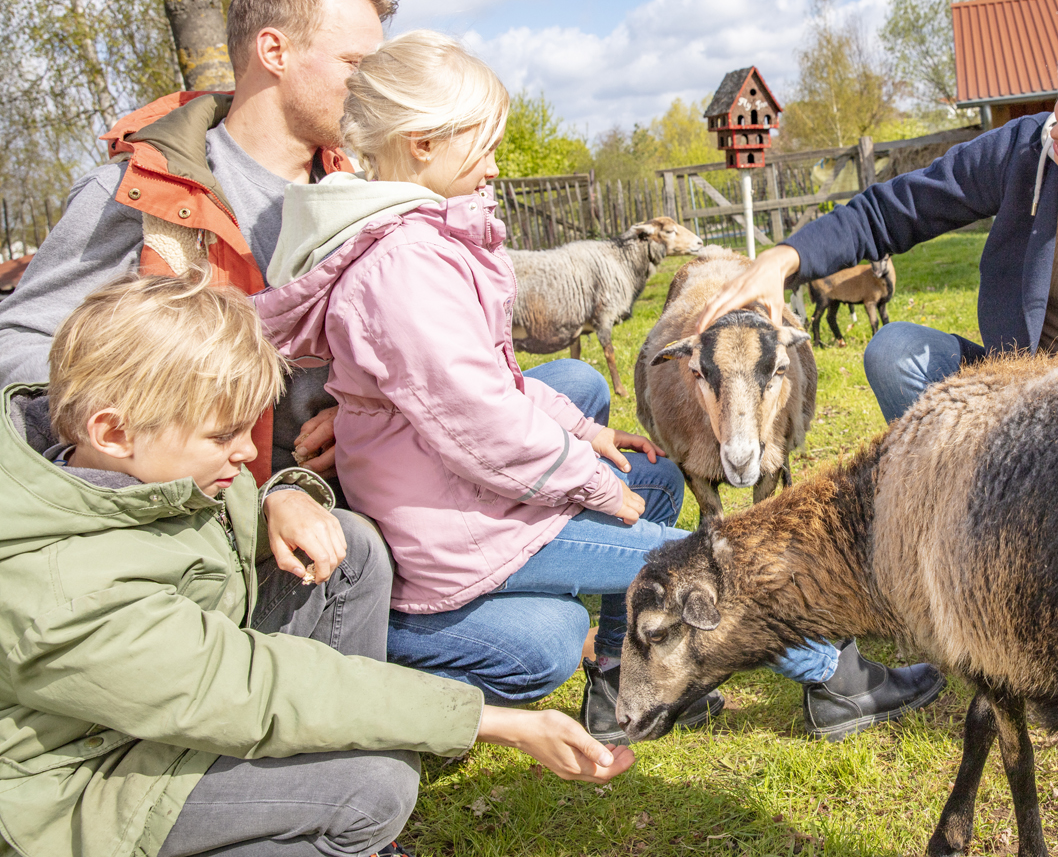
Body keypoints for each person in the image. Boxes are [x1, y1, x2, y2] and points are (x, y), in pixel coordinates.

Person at [252, 30, 944, 742]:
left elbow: (494, 381)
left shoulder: (424, 244)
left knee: (652, 477)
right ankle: (839, 683)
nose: (495, 162)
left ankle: (621, 688)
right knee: (695, 563)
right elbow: (482, 423)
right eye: (483, 142)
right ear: (424, 144)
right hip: (466, 523)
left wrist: (589, 432)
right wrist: (586, 479)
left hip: (466, 498)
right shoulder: (405, 266)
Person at [0, 275, 634, 857]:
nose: (246, 451)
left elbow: (235, 527)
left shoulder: (127, 472)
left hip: (161, 717)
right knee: (374, 784)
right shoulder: (61, 593)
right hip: (86, 791)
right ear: (113, 431)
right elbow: (256, 685)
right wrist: (491, 723)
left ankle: (326, 772)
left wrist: (287, 492)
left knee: (349, 544)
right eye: (223, 437)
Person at [698, 14, 1058, 422]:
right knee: (893, 351)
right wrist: (784, 258)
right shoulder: (1029, 150)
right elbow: (894, 210)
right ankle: (965, 511)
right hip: (1011, 387)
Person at [0, 0, 392, 484]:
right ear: (274, 51)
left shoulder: (365, 196)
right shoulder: (137, 190)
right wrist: (157, 414)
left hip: (364, 479)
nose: (372, 89)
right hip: (211, 515)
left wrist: (362, 413)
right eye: (354, 64)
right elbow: (19, 345)